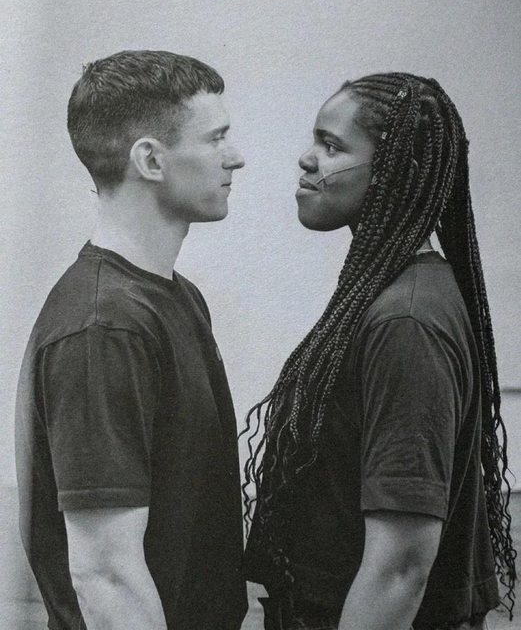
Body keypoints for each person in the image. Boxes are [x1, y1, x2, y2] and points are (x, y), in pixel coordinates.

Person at [242, 73, 516, 630]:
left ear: (399, 170)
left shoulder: (407, 323)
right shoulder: (391, 293)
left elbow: (400, 568)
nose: (306, 158)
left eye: (332, 145)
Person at [15, 49, 247, 630]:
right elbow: (105, 577)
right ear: (150, 159)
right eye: (216, 138)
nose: (235, 157)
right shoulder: (103, 327)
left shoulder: (173, 297)